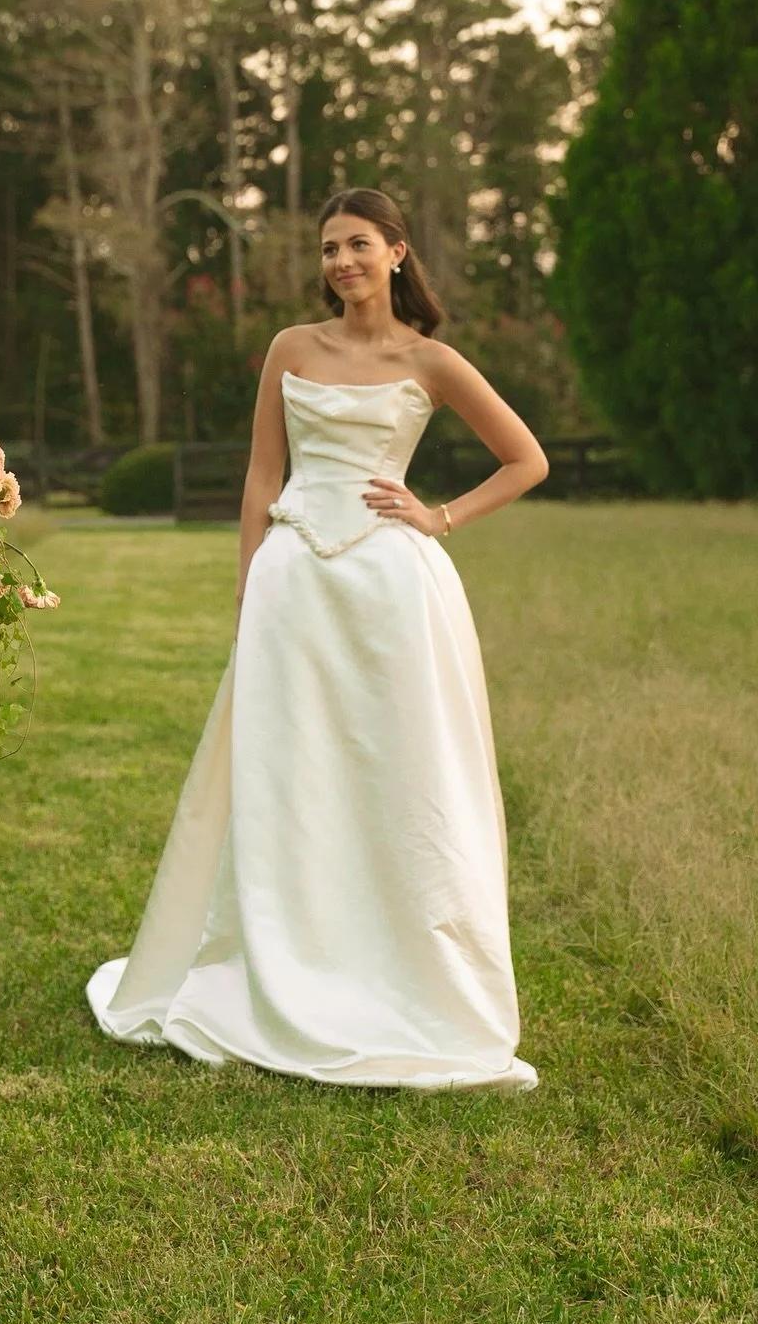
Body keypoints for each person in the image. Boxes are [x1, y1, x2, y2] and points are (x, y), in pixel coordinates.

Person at [87, 187, 548, 1091]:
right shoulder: (291, 348)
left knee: (401, 768)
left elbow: (525, 458)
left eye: (358, 244)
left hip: (393, 591)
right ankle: (280, 957)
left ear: (398, 252)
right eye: (330, 248)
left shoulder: (432, 360)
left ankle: (405, 972)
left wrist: (438, 515)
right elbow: (264, 474)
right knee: (288, 771)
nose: (341, 262)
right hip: (294, 582)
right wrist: (249, 583)